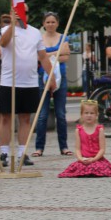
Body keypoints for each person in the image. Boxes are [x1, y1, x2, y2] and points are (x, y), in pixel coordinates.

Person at [0, 10, 54, 168]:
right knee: (6, 118)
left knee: (25, 118)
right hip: (9, 81)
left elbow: (42, 56)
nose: (22, 14)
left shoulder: (35, 32)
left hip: (29, 82)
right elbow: (2, 43)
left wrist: (51, 76)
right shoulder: (5, 30)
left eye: (25, 12)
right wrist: (13, 26)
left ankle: (23, 152)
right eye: (18, 12)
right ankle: (4, 152)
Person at [57, 100, 111, 177]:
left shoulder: (99, 129)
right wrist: (81, 159)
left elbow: (102, 149)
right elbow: (77, 149)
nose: (89, 115)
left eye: (92, 113)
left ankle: (91, 171)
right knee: (78, 168)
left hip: (97, 159)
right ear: (82, 115)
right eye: (86, 113)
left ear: (96, 115)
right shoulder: (78, 130)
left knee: (98, 167)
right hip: (84, 159)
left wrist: (94, 159)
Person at [35, 11, 71, 157]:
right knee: (42, 115)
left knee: (61, 114)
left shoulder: (63, 38)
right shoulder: (39, 38)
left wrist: (47, 55)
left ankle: (64, 146)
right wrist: (57, 52)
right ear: (43, 23)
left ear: (57, 23)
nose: (50, 24)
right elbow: (38, 57)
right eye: (48, 22)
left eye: (53, 22)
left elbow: (66, 56)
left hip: (60, 78)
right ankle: (39, 147)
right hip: (42, 77)